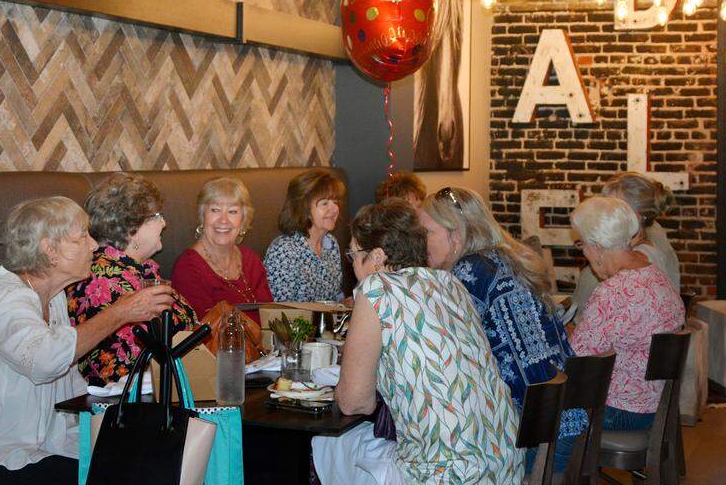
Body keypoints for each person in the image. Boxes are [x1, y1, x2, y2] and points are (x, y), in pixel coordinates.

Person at [0, 197, 173, 483]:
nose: (94, 245)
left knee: (142, 459)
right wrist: (121, 312)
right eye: (83, 236)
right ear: (49, 249)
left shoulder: (52, 300)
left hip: (23, 449)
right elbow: (46, 361)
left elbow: (67, 390)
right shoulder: (3, 298)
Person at [333, 200, 523, 483]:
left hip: (445, 475)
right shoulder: (450, 284)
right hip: (505, 465)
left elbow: (354, 403)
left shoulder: (376, 289)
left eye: (353, 254)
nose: (351, 264)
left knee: (331, 445)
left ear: (376, 256)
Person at [420, 186, 587, 473]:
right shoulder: (505, 257)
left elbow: (441, 355)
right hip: (563, 417)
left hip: (534, 435)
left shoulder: (468, 273)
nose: (420, 242)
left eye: (426, 233)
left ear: (456, 235)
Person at [67, 173, 198, 386]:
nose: (164, 223)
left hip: (171, 388)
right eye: (157, 215)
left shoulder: (141, 271)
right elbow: (127, 363)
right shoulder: (102, 280)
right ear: (132, 229)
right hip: (130, 403)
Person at [568, 196, 684, 434]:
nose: (585, 254)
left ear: (597, 247)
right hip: (653, 402)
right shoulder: (653, 273)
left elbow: (576, 359)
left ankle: (549, 470)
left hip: (622, 412)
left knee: (541, 410)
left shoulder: (613, 292)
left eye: (582, 245)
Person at [172, 177, 272, 318]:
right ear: (202, 215)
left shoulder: (251, 260)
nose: (223, 220)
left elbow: (269, 316)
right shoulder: (189, 268)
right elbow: (203, 331)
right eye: (215, 210)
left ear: (243, 219)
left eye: (232, 211)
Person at [264, 168, 345, 302]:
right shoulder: (284, 250)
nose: (334, 209)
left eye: (335, 202)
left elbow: (334, 298)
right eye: (325, 203)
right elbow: (280, 311)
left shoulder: (331, 244)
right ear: (304, 209)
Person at [603, 172, 681, 291]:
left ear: (637, 215)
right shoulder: (642, 247)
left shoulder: (638, 259)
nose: (604, 215)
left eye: (613, 209)